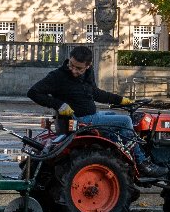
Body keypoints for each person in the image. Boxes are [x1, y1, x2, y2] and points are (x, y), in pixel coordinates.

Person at [27, 45, 160, 176]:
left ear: (88, 66)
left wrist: (121, 100)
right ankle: (142, 162)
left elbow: (95, 93)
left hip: (91, 115)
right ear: (69, 59)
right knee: (125, 121)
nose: (73, 70)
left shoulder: (88, 74)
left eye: (78, 68)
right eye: (71, 65)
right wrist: (59, 105)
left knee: (113, 115)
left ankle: (119, 153)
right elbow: (33, 92)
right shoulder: (57, 76)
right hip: (80, 119)